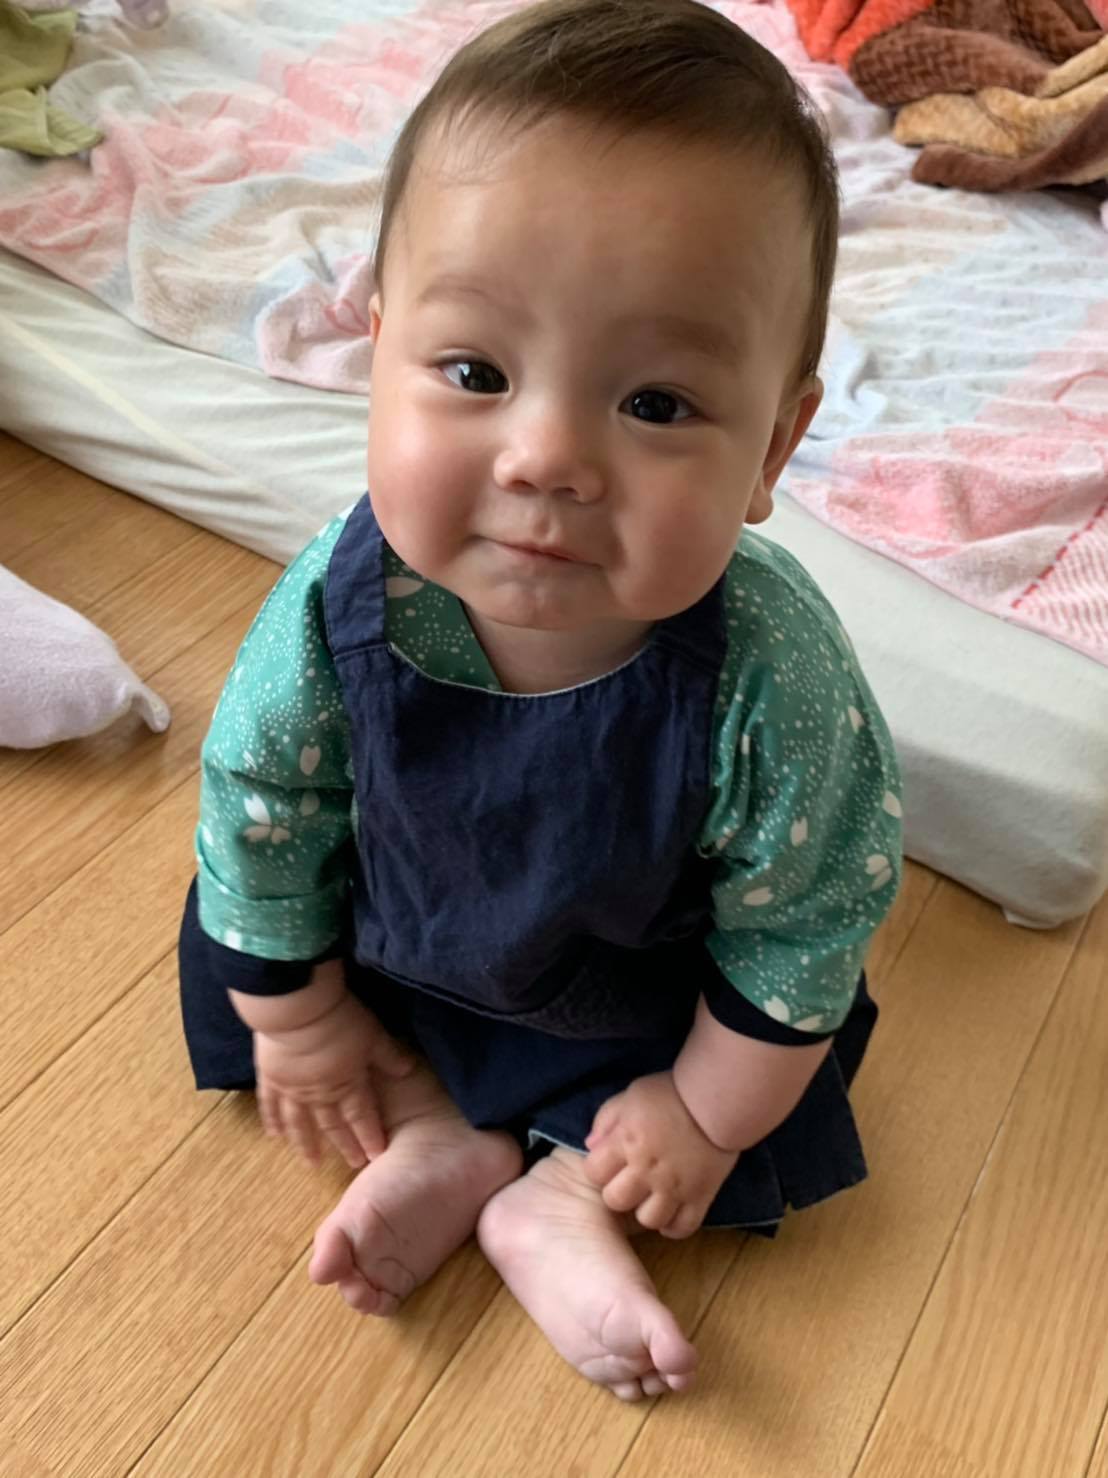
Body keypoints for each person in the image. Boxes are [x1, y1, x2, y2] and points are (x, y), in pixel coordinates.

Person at [178, 0, 903, 1402]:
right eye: (475, 374)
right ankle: (429, 1125)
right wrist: (306, 1023)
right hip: (390, 947)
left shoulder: (776, 672)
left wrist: (698, 1112)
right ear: (377, 354)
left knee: (777, 1066)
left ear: (774, 446)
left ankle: (565, 1190)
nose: (548, 456)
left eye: (657, 405)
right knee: (237, 922)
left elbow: (804, 919)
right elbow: (264, 804)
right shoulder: (337, 607)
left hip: (637, 994)